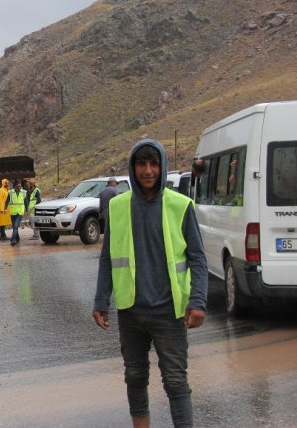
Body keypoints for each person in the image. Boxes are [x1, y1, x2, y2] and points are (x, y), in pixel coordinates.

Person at [92, 140, 207, 428]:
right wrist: (100, 301)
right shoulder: (117, 207)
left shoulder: (180, 206)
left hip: (169, 311)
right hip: (131, 309)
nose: (147, 170)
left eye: (153, 164)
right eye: (141, 164)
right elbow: (108, 258)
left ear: (162, 166)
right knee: (134, 376)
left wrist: (198, 300)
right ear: (132, 168)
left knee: (176, 380)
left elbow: (198, 259)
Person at [7, 179, 26, 246]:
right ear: (15, 186)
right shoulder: (11, 192)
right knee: (14, 226)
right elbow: (7, 201)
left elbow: (26, 201)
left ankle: (13, 239)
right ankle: (17, 238)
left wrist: (27, 210)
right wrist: (5, 208)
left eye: (20, 185)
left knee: (15, 226)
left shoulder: (23, 192)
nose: (19, 187)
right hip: (13, 212)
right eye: (18, 185)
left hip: (20, 212)